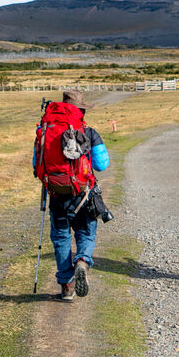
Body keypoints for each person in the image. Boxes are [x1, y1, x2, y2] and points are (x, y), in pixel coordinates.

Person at [37, 89, 110, 301]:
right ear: (81, 111)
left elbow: (36, 165)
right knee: (86, 233)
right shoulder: (89, 132)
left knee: (61, 238)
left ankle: (67, 286)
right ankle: (82, 261)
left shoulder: (45, 130)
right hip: (83, 194)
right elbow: (102, 164)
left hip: (56, 194)